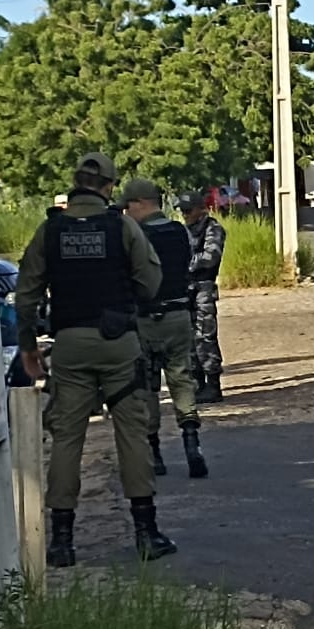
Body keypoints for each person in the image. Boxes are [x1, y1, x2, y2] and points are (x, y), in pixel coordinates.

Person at [16, 153, 176, 567]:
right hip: (119, 342)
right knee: (132, 433)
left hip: (69, 344)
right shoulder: (121, 226)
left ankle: (62, 541)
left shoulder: (50, 230)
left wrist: (28, 346)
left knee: (67, 438)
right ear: (108, 186)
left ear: (75, 183)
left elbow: (27, 292)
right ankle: (146, 533)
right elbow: (150, 281)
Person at [119, 179, 209, 480]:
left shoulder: (133, 235)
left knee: (147, 387)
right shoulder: (179, 231)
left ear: (141, 203)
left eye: (127, 206)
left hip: (145, 318)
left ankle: (155, 452)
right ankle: (191, 442)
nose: (125, 213)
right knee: (181, 379)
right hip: (178, 314)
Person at [176, 192, 227, 404]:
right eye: (182, 210)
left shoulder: (213, 229)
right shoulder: (182, 231)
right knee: (187, 338)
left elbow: (210, 257)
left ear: (200, 209)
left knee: (205, 336)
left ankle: (213, 384)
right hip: (185, 289)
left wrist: (184, 263)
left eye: (188, 210)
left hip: (203, 289)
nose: (185, 214)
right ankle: (197, 383)